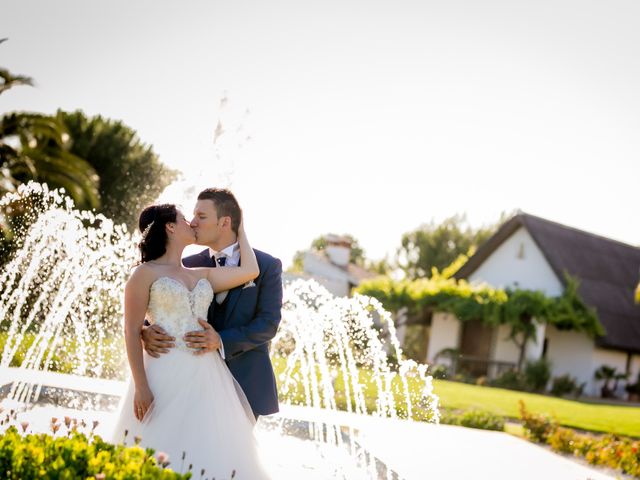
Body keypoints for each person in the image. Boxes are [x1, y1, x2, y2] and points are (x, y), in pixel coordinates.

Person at [109, 203, 270, 479]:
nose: (192, 223)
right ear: (170, 227)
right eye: (185, 218)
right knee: (155, 447)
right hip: (162, 372)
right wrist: (141, 386)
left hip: (207, 376)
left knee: (206, 449)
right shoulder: (143, 273)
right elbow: (130, 330)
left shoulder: (201, 274)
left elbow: (250, 270)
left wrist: (240, 226)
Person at [141, 188, 283, 420]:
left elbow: (268, 324)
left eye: (201, 216)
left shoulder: (267, 265)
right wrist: (145, 330)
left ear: (224, 222)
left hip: (244, 382)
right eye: (192, 216)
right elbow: (161, 307)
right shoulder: (186, 264)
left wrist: (220, 341)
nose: (193, 222)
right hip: (189, 377)